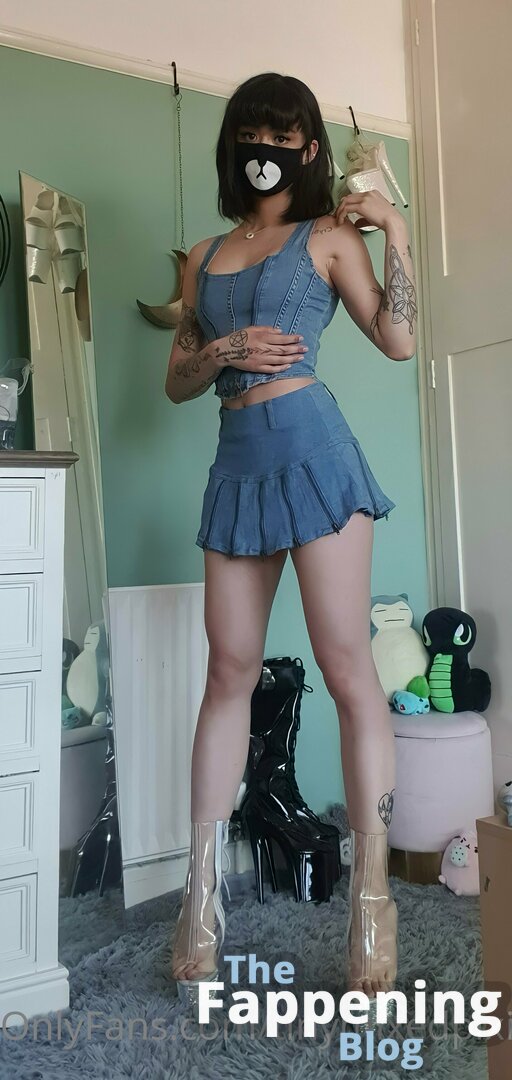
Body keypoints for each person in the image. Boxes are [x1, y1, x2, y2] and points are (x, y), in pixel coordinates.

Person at [165, 72, 417, 1011]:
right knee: (228, 671)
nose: (265, 148)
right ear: (233, 143)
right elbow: (177, 381)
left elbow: (397, 339)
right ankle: (200, 899)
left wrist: (394, 231)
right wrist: (223, 351)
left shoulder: (329, 238)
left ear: (308, 148)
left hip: (315, 455)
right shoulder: (203, 257)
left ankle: (373, 900)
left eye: (283, 134)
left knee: (348, 668)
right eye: (252, 132)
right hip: (237, 464)